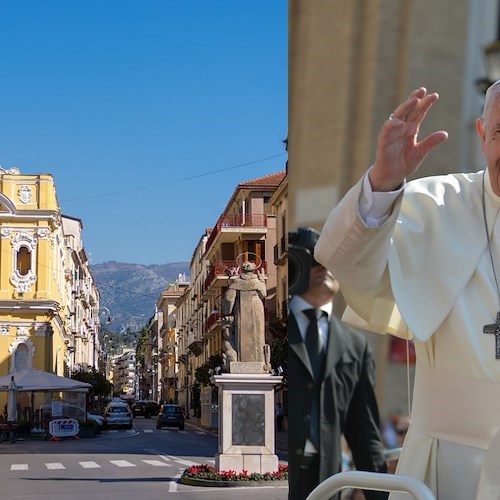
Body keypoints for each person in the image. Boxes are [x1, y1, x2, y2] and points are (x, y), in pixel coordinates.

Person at [314, 83, 500, 499]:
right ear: (482, 133)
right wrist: (383, 181)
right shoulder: (438, 205)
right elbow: (342, 261)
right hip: (447, 464)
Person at [288, 227, 388, 500]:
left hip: (326, 482)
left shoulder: (355, 346)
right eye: (314, 259)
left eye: (333, 259)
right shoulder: (275, 330)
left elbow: (365, 436)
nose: (325, 267)